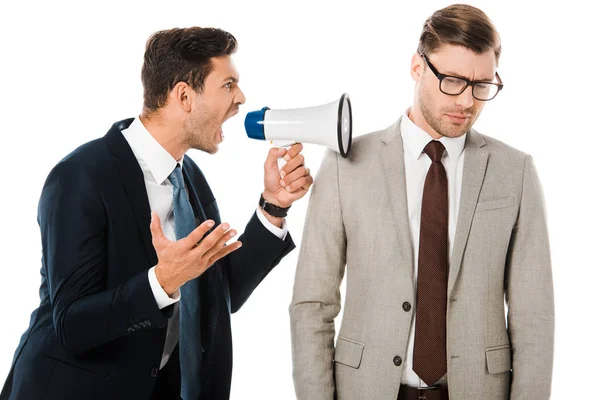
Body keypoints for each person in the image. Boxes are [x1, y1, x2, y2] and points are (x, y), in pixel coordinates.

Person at [1, 26, 313, 400]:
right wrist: (161, 283)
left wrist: (273, 206)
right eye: (228, 85)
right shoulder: (81, 176)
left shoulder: (189, 178)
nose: (241, 98)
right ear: (184, 95)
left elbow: (217, 295)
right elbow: (72, 325)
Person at [289, 4, 554, 400]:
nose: (467, 101)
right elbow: (313, 303)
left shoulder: (515, 172)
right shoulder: (347, 165)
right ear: (417, 67)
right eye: (452, 80)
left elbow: (534, 316)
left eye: (482, 85)